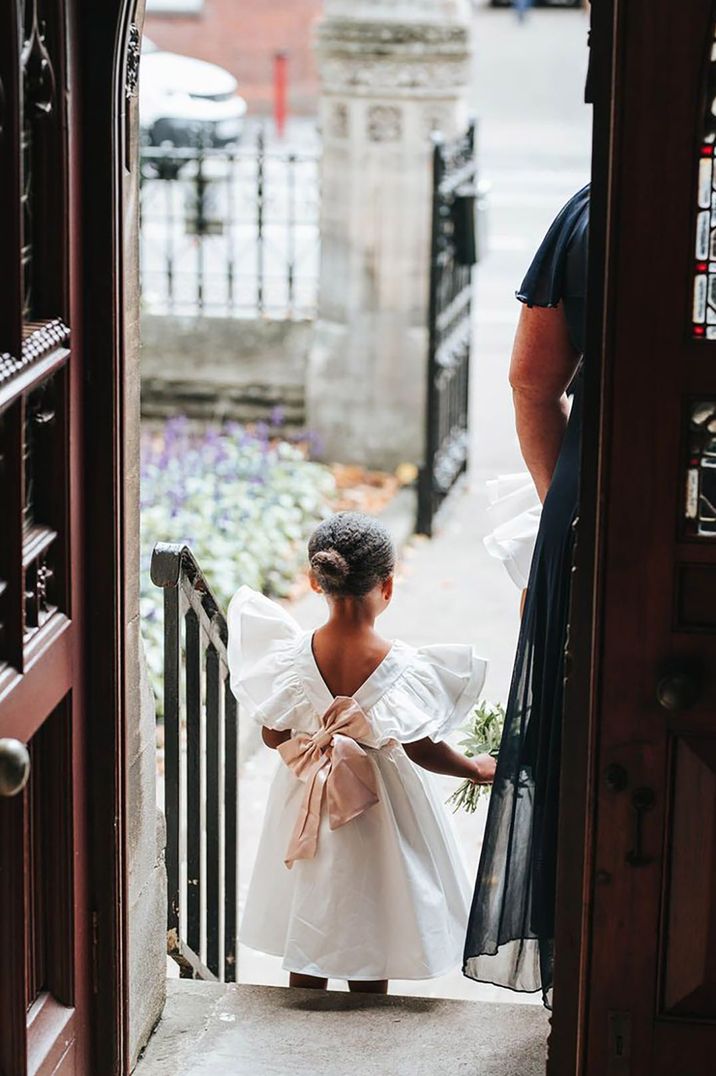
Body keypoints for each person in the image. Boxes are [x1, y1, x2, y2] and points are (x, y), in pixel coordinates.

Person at [228, 511, 495, 994]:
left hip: (307, 800)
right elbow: (421, 748)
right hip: (379, 812)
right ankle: (367, 1027)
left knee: (310, 901)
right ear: (387, 587)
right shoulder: (404, 667)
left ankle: (305, 1008)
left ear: (316, 582)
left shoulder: (290, 657)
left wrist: (316, 736)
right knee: (374, 913)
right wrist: (473, 767)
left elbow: (273, 738)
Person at [463, 184, 590, 1007]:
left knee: (579, 725)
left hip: (594, 495)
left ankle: (585, 962)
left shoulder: (594, 209)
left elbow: (530, 383)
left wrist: (561, 515)